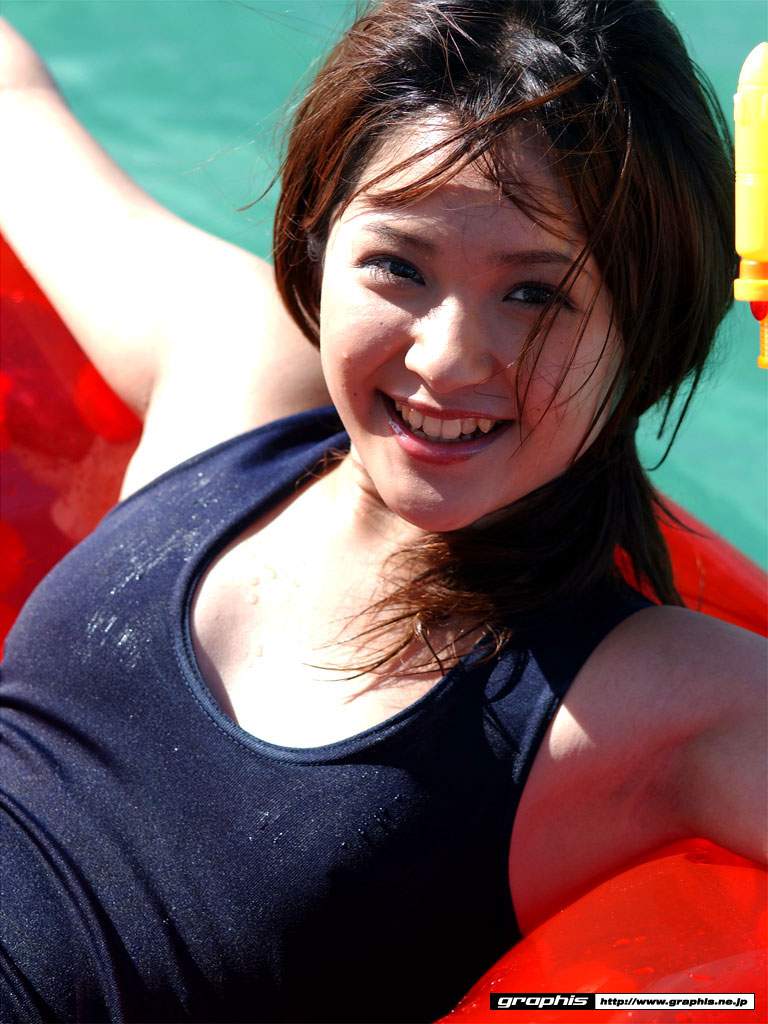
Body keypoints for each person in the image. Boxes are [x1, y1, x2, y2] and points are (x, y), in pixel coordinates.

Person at [0, 3, 765, 1022]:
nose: (446, 357)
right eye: (398, 266)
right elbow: (14, 106)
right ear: (317, 245)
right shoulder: (245, 382)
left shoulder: (655, 699)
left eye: (536, 296)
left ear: (645, 328)